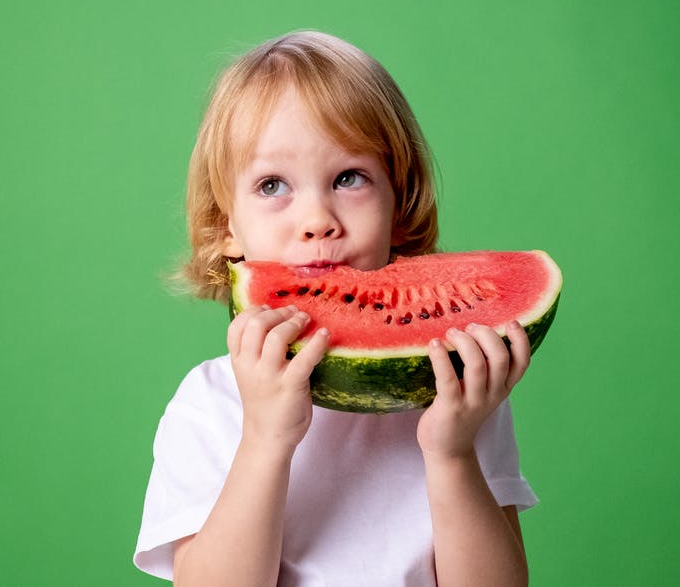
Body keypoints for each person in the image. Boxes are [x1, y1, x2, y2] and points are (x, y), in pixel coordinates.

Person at [134, 30, 537, 586]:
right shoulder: (210, 404)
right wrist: (264, 440)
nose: (317, 219)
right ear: (225, 225)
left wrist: (451, 453)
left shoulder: (459, 389)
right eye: (272, 184)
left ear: (400, 204)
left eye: (349, 178)